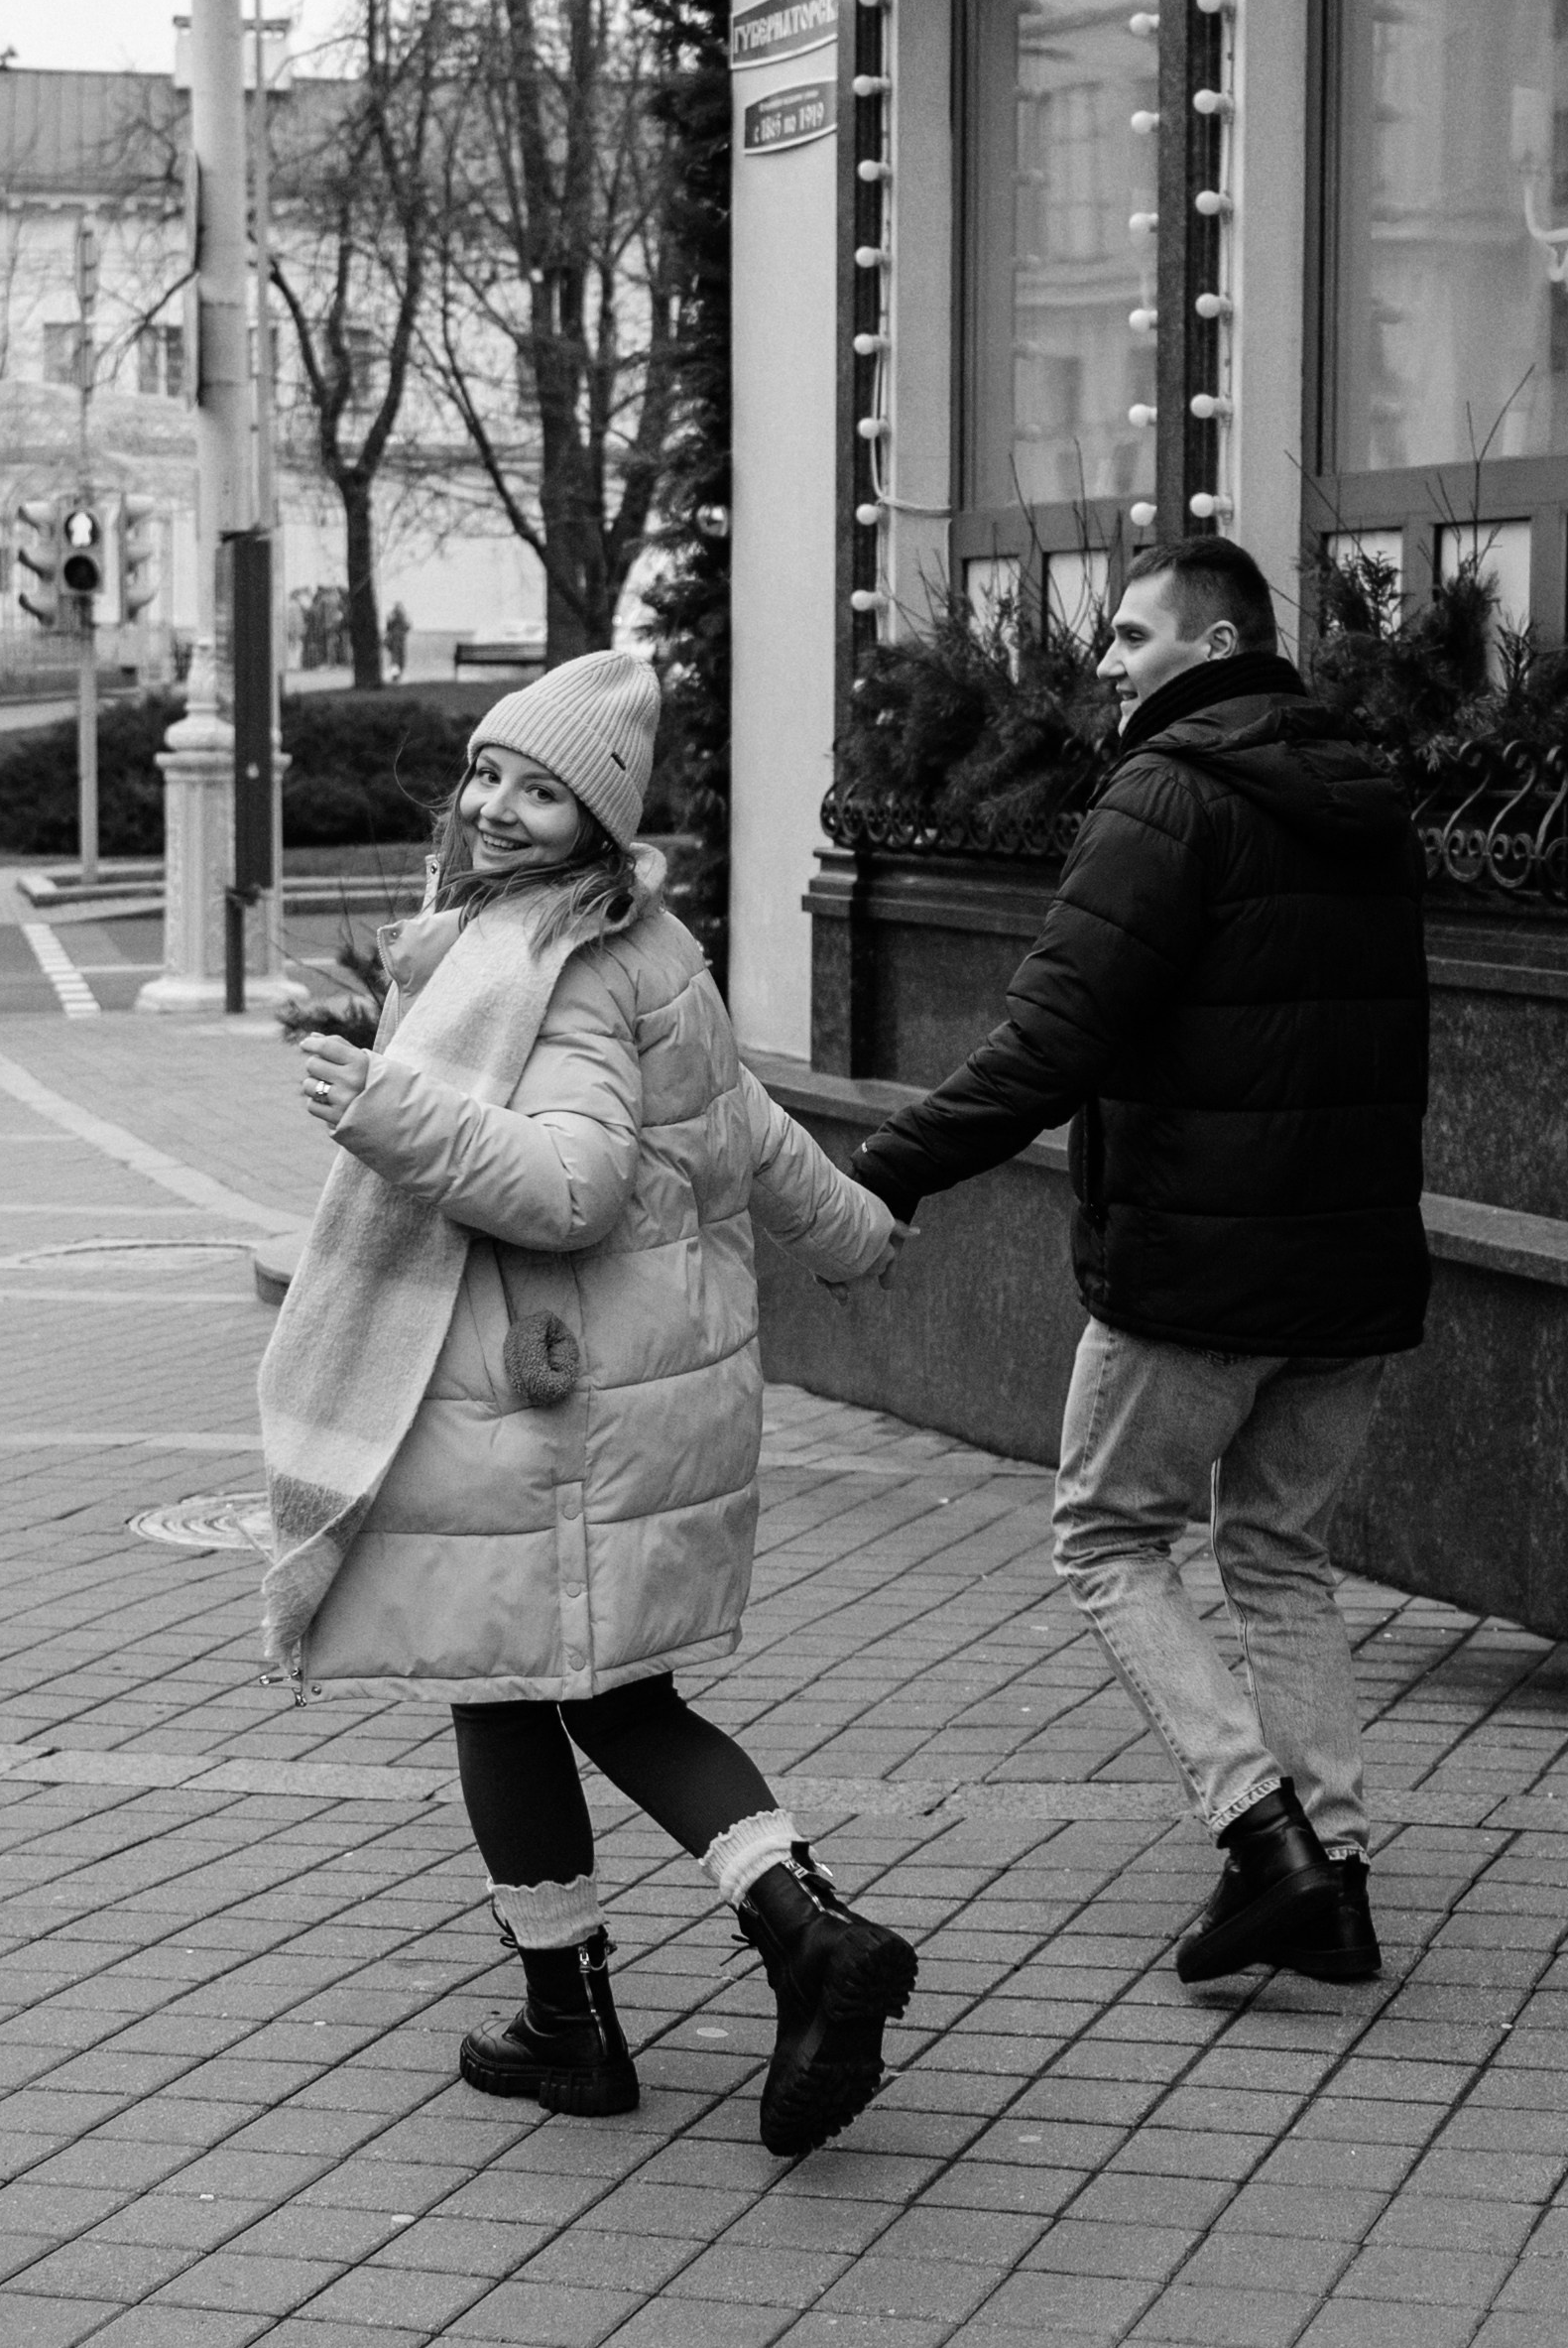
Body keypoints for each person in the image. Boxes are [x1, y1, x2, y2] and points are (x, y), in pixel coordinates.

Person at [261, 649, 917, 2159]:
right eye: (489, 773)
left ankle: (596, 2014)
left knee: (510, 1687)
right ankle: (794, 1931)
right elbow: (744, 1121)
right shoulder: (646, 944)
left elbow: (570, 1185)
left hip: (547, 1394)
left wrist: (380, 1104)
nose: (494, 808)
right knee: (614, 1695)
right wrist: (858, 1234)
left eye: (539, 793)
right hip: (634, 1389)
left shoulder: (548, 966)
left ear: (596, 825)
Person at [849, 536, 1429, 1990]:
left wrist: (888, 1170)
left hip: (1198, 1264)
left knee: (1108, 1539)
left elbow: (1051, 1041)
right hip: (1350, 1257)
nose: (1105, 661)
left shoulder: (1167, 797)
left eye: (1131, 634)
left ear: (1218, 645)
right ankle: (1337, 1885)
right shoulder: (1359, 800)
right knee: (1280, 1557)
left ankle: (1264, 1836)